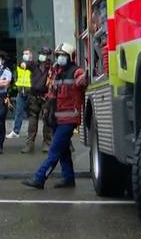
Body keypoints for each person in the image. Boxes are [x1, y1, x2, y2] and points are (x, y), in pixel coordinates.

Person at [23, 43, 88, 189]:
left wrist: (86, 75)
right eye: (58, 55)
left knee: (54, 150)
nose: (59, 58)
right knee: (63, 150)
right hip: (57, 118)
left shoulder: (76, 71)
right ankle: (68, 178)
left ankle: (40, 178)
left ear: (70, 57)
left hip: (69, 119)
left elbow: (82, 80)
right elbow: (52, 93)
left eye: (63, 55)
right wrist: (47, 112)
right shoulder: (57, 72)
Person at [22, 47, 54, 154]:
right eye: (41, 53)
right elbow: (24, 65)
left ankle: (47, 143)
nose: (42, 55)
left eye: (45, 54)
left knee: (47, 121)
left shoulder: (51, 66)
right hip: (34, 97)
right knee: (32, 122)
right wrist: (23, 64)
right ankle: (29, 144)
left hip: (46, 97)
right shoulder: (34, 64)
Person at [8, 49, 34, 138]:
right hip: (21, 91)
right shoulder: (20, 65)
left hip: (30, 92)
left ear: (31, 55)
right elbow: (17, 76)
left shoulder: (33, 66)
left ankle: (32, 133)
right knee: (18, 112)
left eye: (27, 53)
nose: (25, 55)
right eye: (24, 54)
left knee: (32, 114)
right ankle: (16, 131)